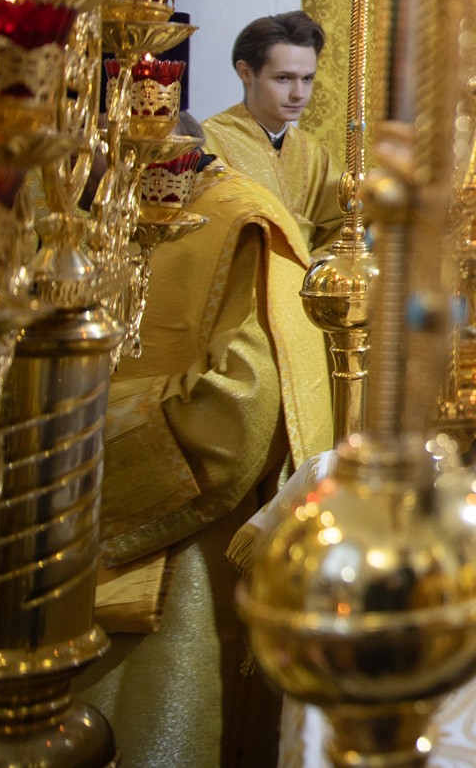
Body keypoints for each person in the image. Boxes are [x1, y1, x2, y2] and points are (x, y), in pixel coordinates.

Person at [77, 118, 334, 766]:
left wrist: (75, 443)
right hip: (77, 551)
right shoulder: (106, 209)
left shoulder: (240, 223)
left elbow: (236, 412)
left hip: (183, 561)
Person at [203, 11, 343, 255]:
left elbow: (342, 225)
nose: (299, 93)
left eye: (307, 79)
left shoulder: (314, 153)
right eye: (283, 78)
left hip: (307, 274)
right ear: (246, 72)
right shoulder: (208, 143)